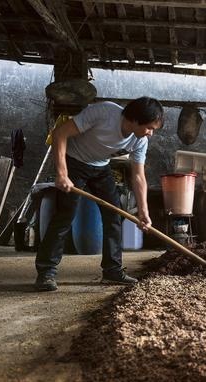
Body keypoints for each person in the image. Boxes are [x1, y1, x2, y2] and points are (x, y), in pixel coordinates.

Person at [34, 97, 164, 291]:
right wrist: (62, 173)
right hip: (74, 161)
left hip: (101, 167)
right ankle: (46, 272)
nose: (151, 134)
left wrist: (143, 211)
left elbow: (138, 176)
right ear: (135, 120)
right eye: (149, 127)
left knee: (114, 214)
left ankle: (112, 270)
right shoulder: (104, 113)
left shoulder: (140, 140)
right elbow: (59, 134)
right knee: (65, 214)